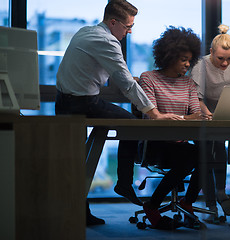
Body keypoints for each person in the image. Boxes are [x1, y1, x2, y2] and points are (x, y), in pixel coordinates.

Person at [55, 0, 174, 226]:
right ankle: (124, 183)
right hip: (82, 103)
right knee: (131, 124)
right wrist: (154, 113)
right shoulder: (108, 41)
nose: (130, 31)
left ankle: (79, 213)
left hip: (64, 100)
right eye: (128, 26)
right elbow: (125, 83)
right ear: (113, 22)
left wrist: (130, 80)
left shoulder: (86, 32)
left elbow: (105, 71)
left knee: (73, 160)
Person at [139, 26, 212, 230]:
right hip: (155, 146)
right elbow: (151, 117)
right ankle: (153, 206)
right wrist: (185, 118)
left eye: (190, 59)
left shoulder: (188, 83)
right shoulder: (148, 78)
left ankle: (186, 203)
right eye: (183, 59)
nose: (188, 64)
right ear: (169, 56)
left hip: (179, 145)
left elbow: (197, 116)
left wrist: (188, 118)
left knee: (204, 151)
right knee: (193, 154)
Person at [189, 24, 230, 220]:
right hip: (202, 110)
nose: (225, 63)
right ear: (211, 52)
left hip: (224, 109)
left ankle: (221, 192)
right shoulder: (201, 64)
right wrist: (207, 114)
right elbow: (196, 98)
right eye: (220, 59)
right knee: (206, 153)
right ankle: (211, 206)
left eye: (229, 59)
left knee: (220, 149)